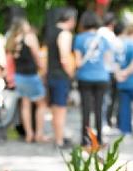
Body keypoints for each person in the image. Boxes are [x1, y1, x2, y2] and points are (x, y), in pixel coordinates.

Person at [73, 11, 112, 146]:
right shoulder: (103, 39)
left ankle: (85, 139)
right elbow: (108, 60)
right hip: (101, 77)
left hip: (85, 77)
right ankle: (99, 139)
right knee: (99, 109)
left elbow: (78, 61)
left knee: (85, 110)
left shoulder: (79, 38)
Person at [6, 18, 47, 143]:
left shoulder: (12, 41)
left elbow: (9, 61)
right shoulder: (30, 38)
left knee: (25, 105)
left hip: (19, 76)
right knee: (41, 104)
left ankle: (29, 134)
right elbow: (37, 56)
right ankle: (39, 134)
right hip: (31, 75)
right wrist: (43, 69)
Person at [47, 7, 77, 148]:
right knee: (61, 109)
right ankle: (59, 140)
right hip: (60, 76)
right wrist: (71, 73)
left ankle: (57, 136)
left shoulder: (51, 32)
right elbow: (64, 57)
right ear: (71, 20)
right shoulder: (65, 34)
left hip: (51, 74)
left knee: (54, 109)